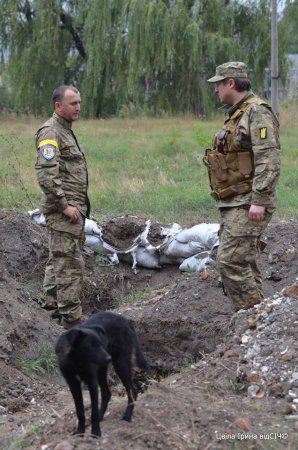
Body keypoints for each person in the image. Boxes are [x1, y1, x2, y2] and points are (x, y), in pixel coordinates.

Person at [204, 62, 281, 311]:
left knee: (230, 262)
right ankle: (261, 321)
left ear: (231, 83)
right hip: (234, 200)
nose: (215, 89)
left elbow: (268, 158)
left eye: (218, 83)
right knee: (245, 262)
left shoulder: (257, 112)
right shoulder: (237, 114)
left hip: (249, 201)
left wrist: (259, 200)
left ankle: (252, 317)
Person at [35, 85, 90, 328]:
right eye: (72, 103)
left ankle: (51, 317)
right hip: (64, 214)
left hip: (72, 213)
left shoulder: (65, 131)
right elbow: (47, 175)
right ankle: (72, 323)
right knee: (69, 266)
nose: (78, 107)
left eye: (79, 102)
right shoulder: (51, 132)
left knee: (58, 262)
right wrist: (65, 206)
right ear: (59, 106)